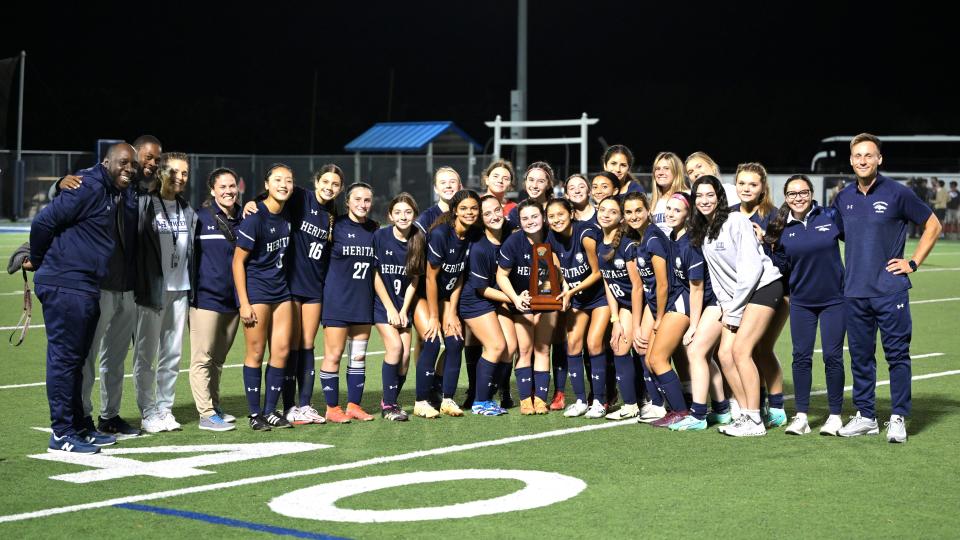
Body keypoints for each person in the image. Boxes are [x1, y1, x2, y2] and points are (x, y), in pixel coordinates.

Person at [47, 135, 162, 438]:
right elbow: (67, 206)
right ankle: (81, 418)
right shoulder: (100, 180)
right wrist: (57, 184)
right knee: (86, 357)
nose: (150, 164)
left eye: (154, 160)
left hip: (127, 286)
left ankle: (109, 416)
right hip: (96, 284)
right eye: (146, 158)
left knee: (115, 358)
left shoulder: (137, 190)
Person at [27, 142, 138, 453]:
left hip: (85, 284)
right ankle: (61, 433)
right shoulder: (88, 185)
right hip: (66, 283)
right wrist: (38, 259)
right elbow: (43, 222)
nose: (129, 168)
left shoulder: (112, 190)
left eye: (133, 165)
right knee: (64, 361)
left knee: (76, 361)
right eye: (123, 162)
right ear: (106, 162)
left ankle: (80, 426)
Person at [832, 133, 942, 443]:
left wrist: (913, 263)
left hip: (889, 290)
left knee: (897, 355)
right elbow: (841, 234)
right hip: (854, 290)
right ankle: (866, 416)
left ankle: (897, 417)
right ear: (851, 160)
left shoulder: (898, 193)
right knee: (861, 356)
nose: (863, 160)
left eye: (869, 155)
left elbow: (932, 225)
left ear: (880, 159)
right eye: (857, 156)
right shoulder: (843, 198)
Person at [688, 175, 783, 437]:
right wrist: (726, 305)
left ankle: (755, 419)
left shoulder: (736, 220)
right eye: (699, 196)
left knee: (741, 350)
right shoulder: (705, 232)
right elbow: (718, 279)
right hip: (736, 299)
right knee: (724, 355)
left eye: (710, 195)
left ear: (719, 197)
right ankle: (745, 412)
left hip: (763, 287)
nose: (705, 200)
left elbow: (751, 270)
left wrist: (735, 309)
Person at [764, 175, 845, 436]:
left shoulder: (829, 217)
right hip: (801, 302)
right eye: (792, 194)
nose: (798, 197)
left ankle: (834, 416)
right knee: (801, 358)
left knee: (833, 357)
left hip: (835, 300)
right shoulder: (781, 227)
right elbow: (781, 267)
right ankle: (801, 417)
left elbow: (856, 243)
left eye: (803, 192)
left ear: (811, 193)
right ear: (785, 198)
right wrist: (766, 245)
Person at [133, 152, 197, 433]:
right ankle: (148, 411)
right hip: (152, 290)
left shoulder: (188, 210)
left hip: (180, 289)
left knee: (172, 355)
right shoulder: (144, 205)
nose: (180, 177)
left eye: (184, 173)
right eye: (174, 171)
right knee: (146, 354)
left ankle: (165, 409)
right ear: (160, 173)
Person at [233, 164, 295, 431]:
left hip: (282, 291)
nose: (284, 185)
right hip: (258, 291)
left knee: (280, 352)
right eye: (278, 180)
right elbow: (237, 262)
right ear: (266, 185)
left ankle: (270, 410)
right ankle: (254, 413)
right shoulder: (255, 217)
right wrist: (244, 303)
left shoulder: (289, 214)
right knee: (256, 352)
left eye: (288, 180)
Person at [408, 189, 480, 418]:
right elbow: (430, 278)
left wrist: (451, 313)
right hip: (423, 296)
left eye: (474, 208)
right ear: (455, 210)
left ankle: (446, 399)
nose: (470, 212)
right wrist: (435, 317)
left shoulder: (471, 235)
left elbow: (458, 276)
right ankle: (421, 401)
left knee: (456, 341)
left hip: (446, 297)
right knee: (431, 341)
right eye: (465, 208)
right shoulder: (440, 234)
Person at [282, 164, 343, 426]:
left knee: (308, 345)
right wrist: (253, 203)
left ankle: (305, 404)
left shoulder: (332, 214)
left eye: (335, 184)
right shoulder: (301, 196)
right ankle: (288, 406)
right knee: (290, 346)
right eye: (325, 181)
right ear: (316, 181)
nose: (329, 187)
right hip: (292, 285)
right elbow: (276, 195)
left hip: (314, 289)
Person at [733, 162, 789, 428]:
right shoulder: (729, 214)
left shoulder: (775, 215)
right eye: (742, 183)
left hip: (773, 289)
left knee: (762, 348)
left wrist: (767, 239)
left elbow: (787, 257)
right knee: (747, 350)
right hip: (742, 292)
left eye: (753, 184)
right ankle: (758, 401)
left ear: (763, 188)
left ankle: (776, 406)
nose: (747, 188)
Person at [319, 182, 379, 423]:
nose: (362, 204)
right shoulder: (336, 226)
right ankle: (332, 408)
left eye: (366, 200)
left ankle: (354, 405)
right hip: (337, 300)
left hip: (363, 301)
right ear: (347, 202)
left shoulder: (375, 229)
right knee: (333, 355)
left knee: (358, 356)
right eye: (357, 199)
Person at [189, 168, 244, 431]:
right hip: (206, 299)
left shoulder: (246, 217)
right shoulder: (199, 218)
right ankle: (206, 414)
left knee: (219, 358)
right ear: (212, 191)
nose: (228, 191)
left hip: (234, 301)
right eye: (222, 187)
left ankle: (214, 404)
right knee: (202, 357)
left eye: (232, 186)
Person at [545, 198, 609, 418]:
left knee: (593, 342)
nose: (556, 220)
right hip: (579, 300)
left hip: (600, 296)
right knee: (572, 343)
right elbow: (558, 268)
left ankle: (599, 401)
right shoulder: (551, 238)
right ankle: (581, 400)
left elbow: (598, 272)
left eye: (560, 214)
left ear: (571, 213)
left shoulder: (586, 235)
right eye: (551, 216)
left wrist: (570, 292)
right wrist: (564, 287)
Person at [497, 199, 562, 415]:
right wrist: (515, 298)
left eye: (534, 216)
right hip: (522, 303)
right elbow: (501, 275)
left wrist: (562, 289)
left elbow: (561, 273)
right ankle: (526, 399)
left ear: (543, 218)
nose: (530, 221)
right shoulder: (514, 242)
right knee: (524, 349)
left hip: (547, 302)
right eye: (525, 218)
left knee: (542, 348)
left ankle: (540, 399)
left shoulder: (553, 238)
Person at [460, 195, 517, 415]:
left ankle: (489, 392)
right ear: (481, 220)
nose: (494, 216)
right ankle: (480, 401)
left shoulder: (509, 235)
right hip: (475, 300)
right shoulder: (480, 247)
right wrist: (514, 298)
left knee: (510, 347)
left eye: (496, 210)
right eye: (487, 214)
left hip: (497, 297)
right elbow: (482, 289)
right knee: (495, 346)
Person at [594, 196, 644, 420]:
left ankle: (656, 402)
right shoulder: (599, 244)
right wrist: (615, 320)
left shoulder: (627, 245)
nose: (605, 214)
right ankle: (631, 405)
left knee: (643, 350)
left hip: (641, 304)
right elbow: (608, 283)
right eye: (602, 210)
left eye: (612, 212)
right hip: (624, 305)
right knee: (620, 348)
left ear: (621, 218)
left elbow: (637, 287)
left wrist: (635, 323)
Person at [372, 193, 419, 421]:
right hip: (382, 305)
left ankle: (392, 399)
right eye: (398, 212)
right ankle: (388, 405)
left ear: (414, 215)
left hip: (403, 306)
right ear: (390, 215)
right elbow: (376, 275)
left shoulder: (418, 239)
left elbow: (414, 280)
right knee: (395, 348)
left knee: (404, 360)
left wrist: (403, 310)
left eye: (408, 212)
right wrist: (391, 308)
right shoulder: (380, 237)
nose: (403, 216)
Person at [649, 152, 689, 234]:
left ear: (676, 171)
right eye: (657, 169)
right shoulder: (653, 201)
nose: (661, 172)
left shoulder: (688, 195)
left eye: (666, 168)